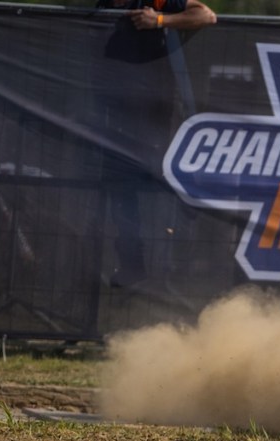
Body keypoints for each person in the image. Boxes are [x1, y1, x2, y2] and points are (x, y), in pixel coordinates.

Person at [95, 0, 216, 287]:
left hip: (155, 111)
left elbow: (207, 15)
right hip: (116, 111)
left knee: (163, 177)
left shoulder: (157, 2)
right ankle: (132, 263)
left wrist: (159, 20)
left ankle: (178, 262)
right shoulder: (106, 4)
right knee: (120, 185)